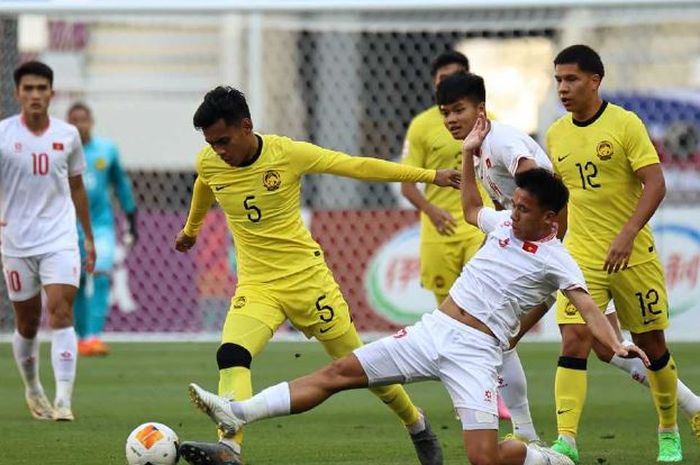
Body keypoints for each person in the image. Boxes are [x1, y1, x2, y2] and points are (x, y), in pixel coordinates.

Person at [185, 119, 649, 465]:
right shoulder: (503, 222)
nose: (513, 209)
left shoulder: (556, 258)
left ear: (549, 218)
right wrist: (467, 153)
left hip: (477, 352)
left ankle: (547, 459)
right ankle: (237, 411)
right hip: (434, 331)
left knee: (483, 459)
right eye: (516, 202)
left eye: (524, 207)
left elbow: (587, 308)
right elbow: (471, 207)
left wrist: (616, 343)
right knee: (339, 372)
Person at [174, 86, 461, 465]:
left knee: (363, 367)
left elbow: (358, 166)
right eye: (212, 144)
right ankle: (230, 448)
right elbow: (204, 185)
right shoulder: (210, 162)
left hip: (308, 283)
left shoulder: (288, 154)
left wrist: (431, 175)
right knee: (231, 354)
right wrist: (191, 230)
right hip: (258, 286)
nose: (219, 152)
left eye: (224, 141)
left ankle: (415, 422)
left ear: (247, 126)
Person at [438, 70, 700, 455]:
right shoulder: (481, 151)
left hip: (555, 254)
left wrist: (538, 245)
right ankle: (693, 406)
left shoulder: (505, 142)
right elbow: (495, 209)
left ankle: (528, 437)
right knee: (605, 347)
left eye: (458, 110)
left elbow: (537, 187)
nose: (451, 120)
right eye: (445, 113)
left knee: (503, 337)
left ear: (480, 108)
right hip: (552, 250)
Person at [547, 44, 700, 463]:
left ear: (595, 81)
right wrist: (555, 241)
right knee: (574, 339)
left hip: (633, 254)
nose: (563, 87)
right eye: (558, 79)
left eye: (571, 79)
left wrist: (628, 233)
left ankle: (669, 430)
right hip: (581, 256)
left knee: (651, 346)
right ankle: (567, 441)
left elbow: (655, 183)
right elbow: (561, 197)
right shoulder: (556, 132)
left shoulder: (625, 124)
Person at [400, 50, 513, 424]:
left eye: (456, 77)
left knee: (481, 311)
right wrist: (432, 211)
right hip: (438, 229)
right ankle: (467, 389)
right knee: (448, 316)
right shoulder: (421, 126)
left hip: (476, 225)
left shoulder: (489, 125)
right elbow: (406, 181)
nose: (451, 114)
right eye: (442, 79)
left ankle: (492, 390)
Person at [0, 61, 95, 422]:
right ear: (17, 93)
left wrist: (87, 236)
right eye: (29, 88)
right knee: (27, 322)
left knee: (61, 311)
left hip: (59, 238)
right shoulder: (3, 135)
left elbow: (76, 187)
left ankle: (64, 400)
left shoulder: (68, 135)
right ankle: (33, 387)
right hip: (16, 241)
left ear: (52, 93)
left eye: (42, 88)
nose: (36, 95)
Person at [67, 102, 138, 357]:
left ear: (91, 122)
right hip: (68, 226)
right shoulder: (60, 151)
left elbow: (122, 185)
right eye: (73, 120)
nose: (79, 124)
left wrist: (132, 219)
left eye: (83, 119)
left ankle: (94, 336)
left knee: (101, 272)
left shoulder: (106, 151)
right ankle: (80, 336)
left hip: (101, 226)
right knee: (74, 280)